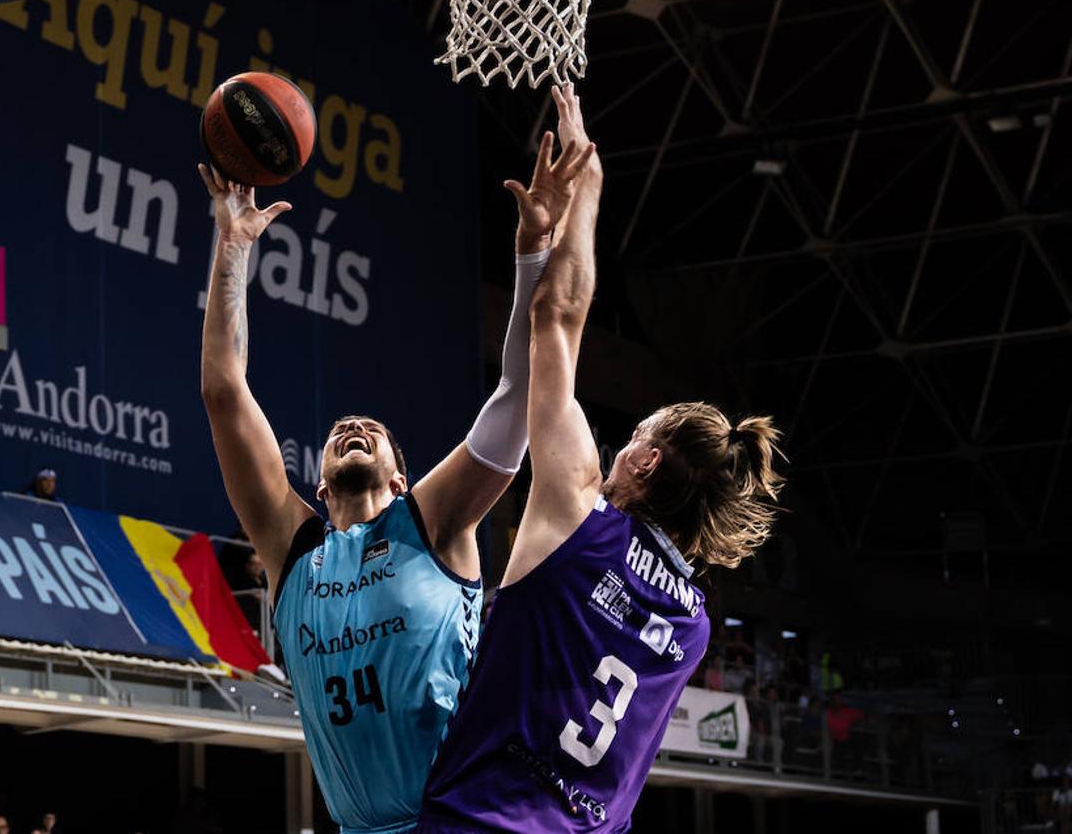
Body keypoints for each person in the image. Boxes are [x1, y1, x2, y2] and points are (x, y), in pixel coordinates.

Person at [195, 86, 595, 834]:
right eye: (342, 429)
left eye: (371, 431)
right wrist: (232, 249)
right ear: (315, 480)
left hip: (462, 822)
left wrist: (532, 249)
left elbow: (514, 395)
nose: (351, 424)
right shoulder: (293, 548)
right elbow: (223, 389)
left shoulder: (433, 525)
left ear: (401, 478)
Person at [418, 84, 785, 832]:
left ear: (646, 463)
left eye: (632, 439)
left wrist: (585, 193)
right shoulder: (692, 625)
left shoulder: (575, 514)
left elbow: (558, 315)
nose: (612, 451)